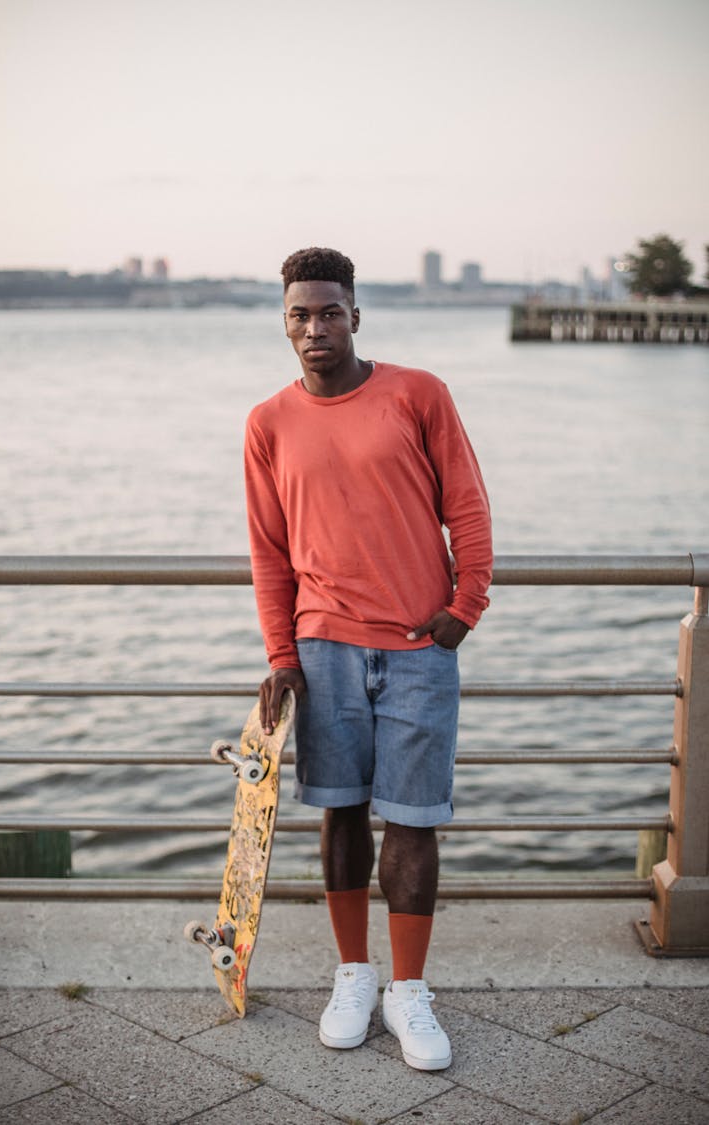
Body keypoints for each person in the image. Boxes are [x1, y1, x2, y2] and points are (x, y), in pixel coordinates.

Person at [244, 247, 492, 1071]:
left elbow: (467, 502)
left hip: (420, 650)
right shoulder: (267, 423)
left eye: (329, 311)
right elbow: (268, 553)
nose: (314, 328)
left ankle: (408, 990)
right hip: (325, 651)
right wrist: (283, 654)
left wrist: (464, 609)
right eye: (299, 315)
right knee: (341, 815)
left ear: (356, 313)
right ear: (285, 322)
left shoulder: (419, 394)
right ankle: (354, 974)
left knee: (415, 823)